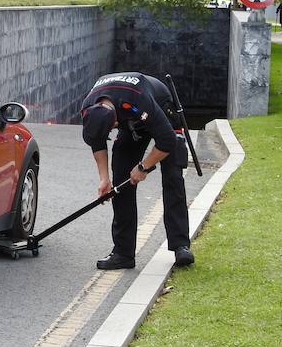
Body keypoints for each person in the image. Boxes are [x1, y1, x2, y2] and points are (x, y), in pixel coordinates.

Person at [79, 72, 195, 270]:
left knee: (173, 177)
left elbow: (165, 140)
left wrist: (144, 167)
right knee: (120, 182)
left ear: (114, 120)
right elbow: (97, 143)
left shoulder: (135, 99)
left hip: (160, 109)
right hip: (132, 121)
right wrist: (104, 179)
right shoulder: (90, 109)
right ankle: (123, 253)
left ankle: (180, 246)